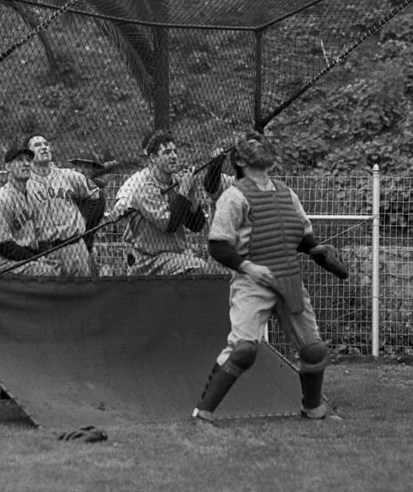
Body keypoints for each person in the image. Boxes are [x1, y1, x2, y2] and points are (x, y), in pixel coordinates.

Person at [192, 131, 348, 424]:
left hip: (289, 279)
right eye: (251, 145)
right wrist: (248, 267)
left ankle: (313, 410)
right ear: (238, 159)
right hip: (252, 283)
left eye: (261, 143)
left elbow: (301, 236)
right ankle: (203, 414)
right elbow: (217, 245)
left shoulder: (286, 193)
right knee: (243, 350)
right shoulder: (234, 196)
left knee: (313, 349)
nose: (258, 147)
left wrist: (316, 249)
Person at [111, 130, 208, 275]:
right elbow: (169, 224)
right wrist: (183, 192)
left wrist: (192, 194)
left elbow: (196, 225)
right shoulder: (143, 186)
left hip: (175, 257)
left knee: (212, 268)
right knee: (200, 268)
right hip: (150, 260)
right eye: (167, 152)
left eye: (175, 151)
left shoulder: (176, 182)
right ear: (153, 158)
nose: (174, 156)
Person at [26, 134, 102, 276]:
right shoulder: (25, 185)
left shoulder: (69, 176)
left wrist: (84, 218)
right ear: (28, 154)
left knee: (81, 293)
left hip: (74, 246)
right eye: (37, 145)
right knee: (50, 294)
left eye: (46, 144)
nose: (43, 147)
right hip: (46, 251)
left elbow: (96, 195)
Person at [0, 145, 59, 276]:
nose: (26, 163)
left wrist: (43, 256)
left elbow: (42, 237)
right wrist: (37, 260)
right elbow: (4, 246)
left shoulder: (34, 197)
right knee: (45, 272)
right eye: (19, 160)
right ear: (8, 167)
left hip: (25, 256)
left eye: (28, 160)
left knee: (58, 265)